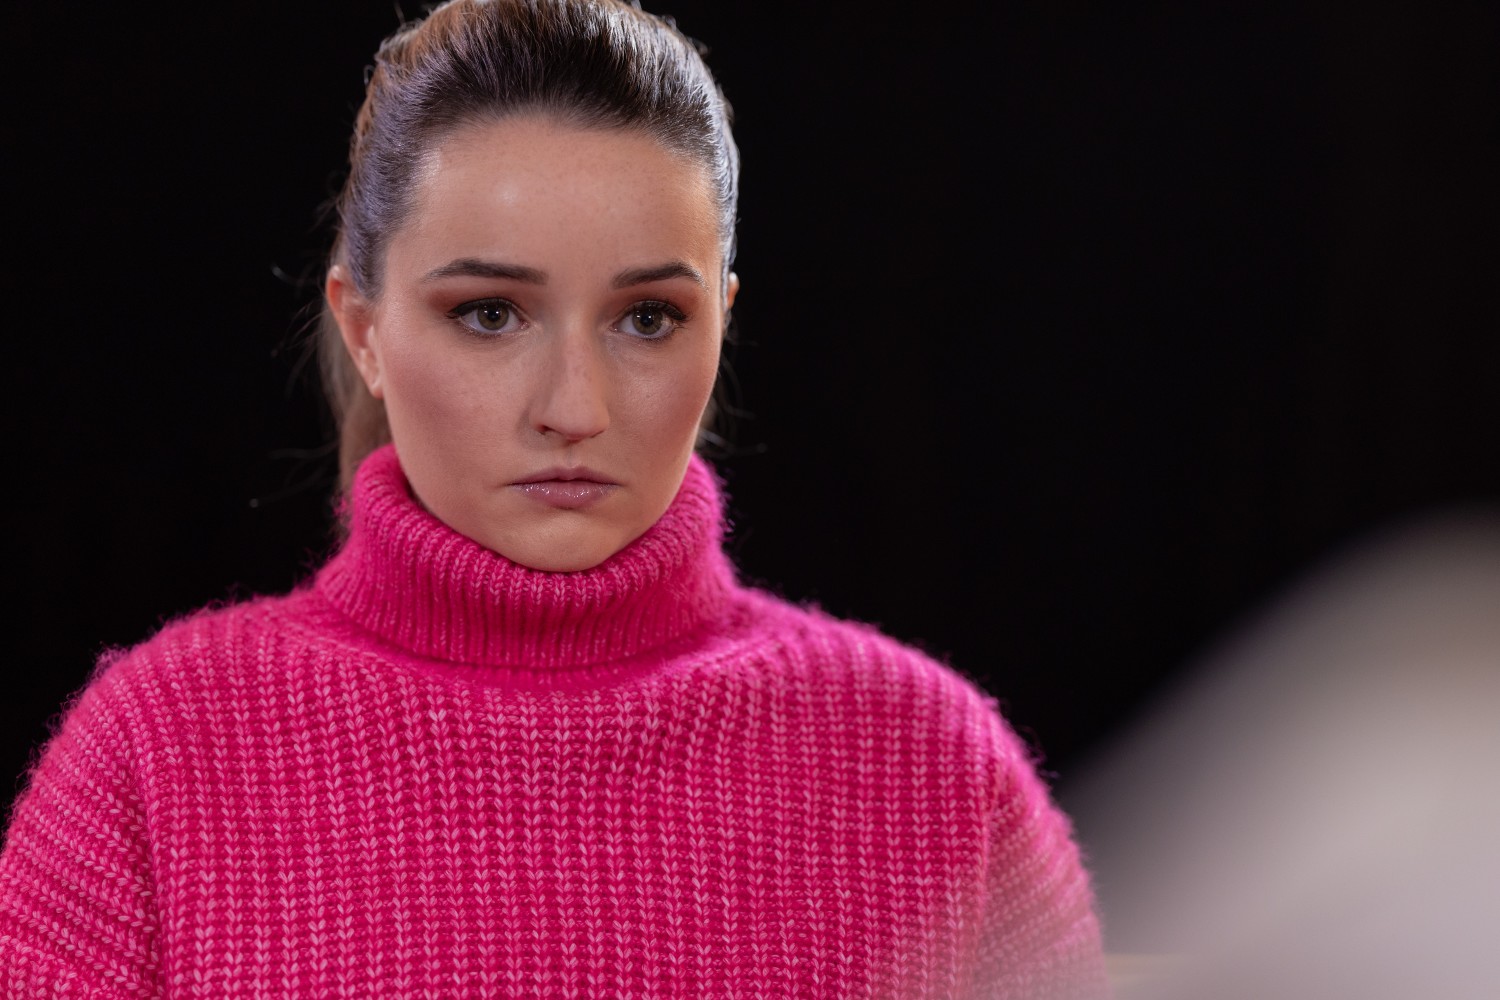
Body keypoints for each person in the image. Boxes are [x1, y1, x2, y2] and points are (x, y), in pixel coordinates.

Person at [0, 1, 1108, 996]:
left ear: (721, 325)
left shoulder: (931, 768)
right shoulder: (151, 762)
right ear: (364, 328)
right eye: (490, 313)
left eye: (648, 319)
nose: (574, 408)